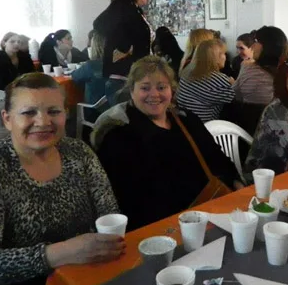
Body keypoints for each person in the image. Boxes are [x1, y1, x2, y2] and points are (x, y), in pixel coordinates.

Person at [0, 73, 122, 285]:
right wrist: (59, 253)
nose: (43, 121)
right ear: (7, 119)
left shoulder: (79, 152)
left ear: (65, 113)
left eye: (54, 111)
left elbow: (109, 213)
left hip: (83, 280)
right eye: (28, 112)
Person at [92, 56, 242, 231]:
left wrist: (236, 183)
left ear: (172, 90)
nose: (154, 94)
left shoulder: (187, 120)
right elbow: (124, 199)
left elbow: (217, 157)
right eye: (145, 88)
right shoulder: (118, 135)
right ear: (132, 91)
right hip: (159, 228)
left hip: (208, 214)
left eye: (161, 87)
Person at [93, 0, 157, 106]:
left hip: (137, 77)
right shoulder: (123, 8)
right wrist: (124, 47)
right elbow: (99, 24)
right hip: (124, 81)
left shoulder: (134, 10)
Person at [176, 39, 235, 122]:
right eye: (223, 54)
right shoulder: (218, 79)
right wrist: (234, 84)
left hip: (184, 122)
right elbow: (239, 98)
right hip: (204, 127)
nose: (225, 57)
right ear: (216, 58)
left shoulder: (187, 71)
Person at [233, 26, 288, 105]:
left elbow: (236, 95)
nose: (252, 46)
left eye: (256, 41)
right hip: (278, 116)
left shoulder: (247, 67)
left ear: (267, 45)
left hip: (248, 115)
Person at [72, 31, 107, 105]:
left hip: (93, 109)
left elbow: (75, 77)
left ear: (94, 46)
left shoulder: (91, 65)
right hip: (113, 107)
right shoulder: (119, 63)